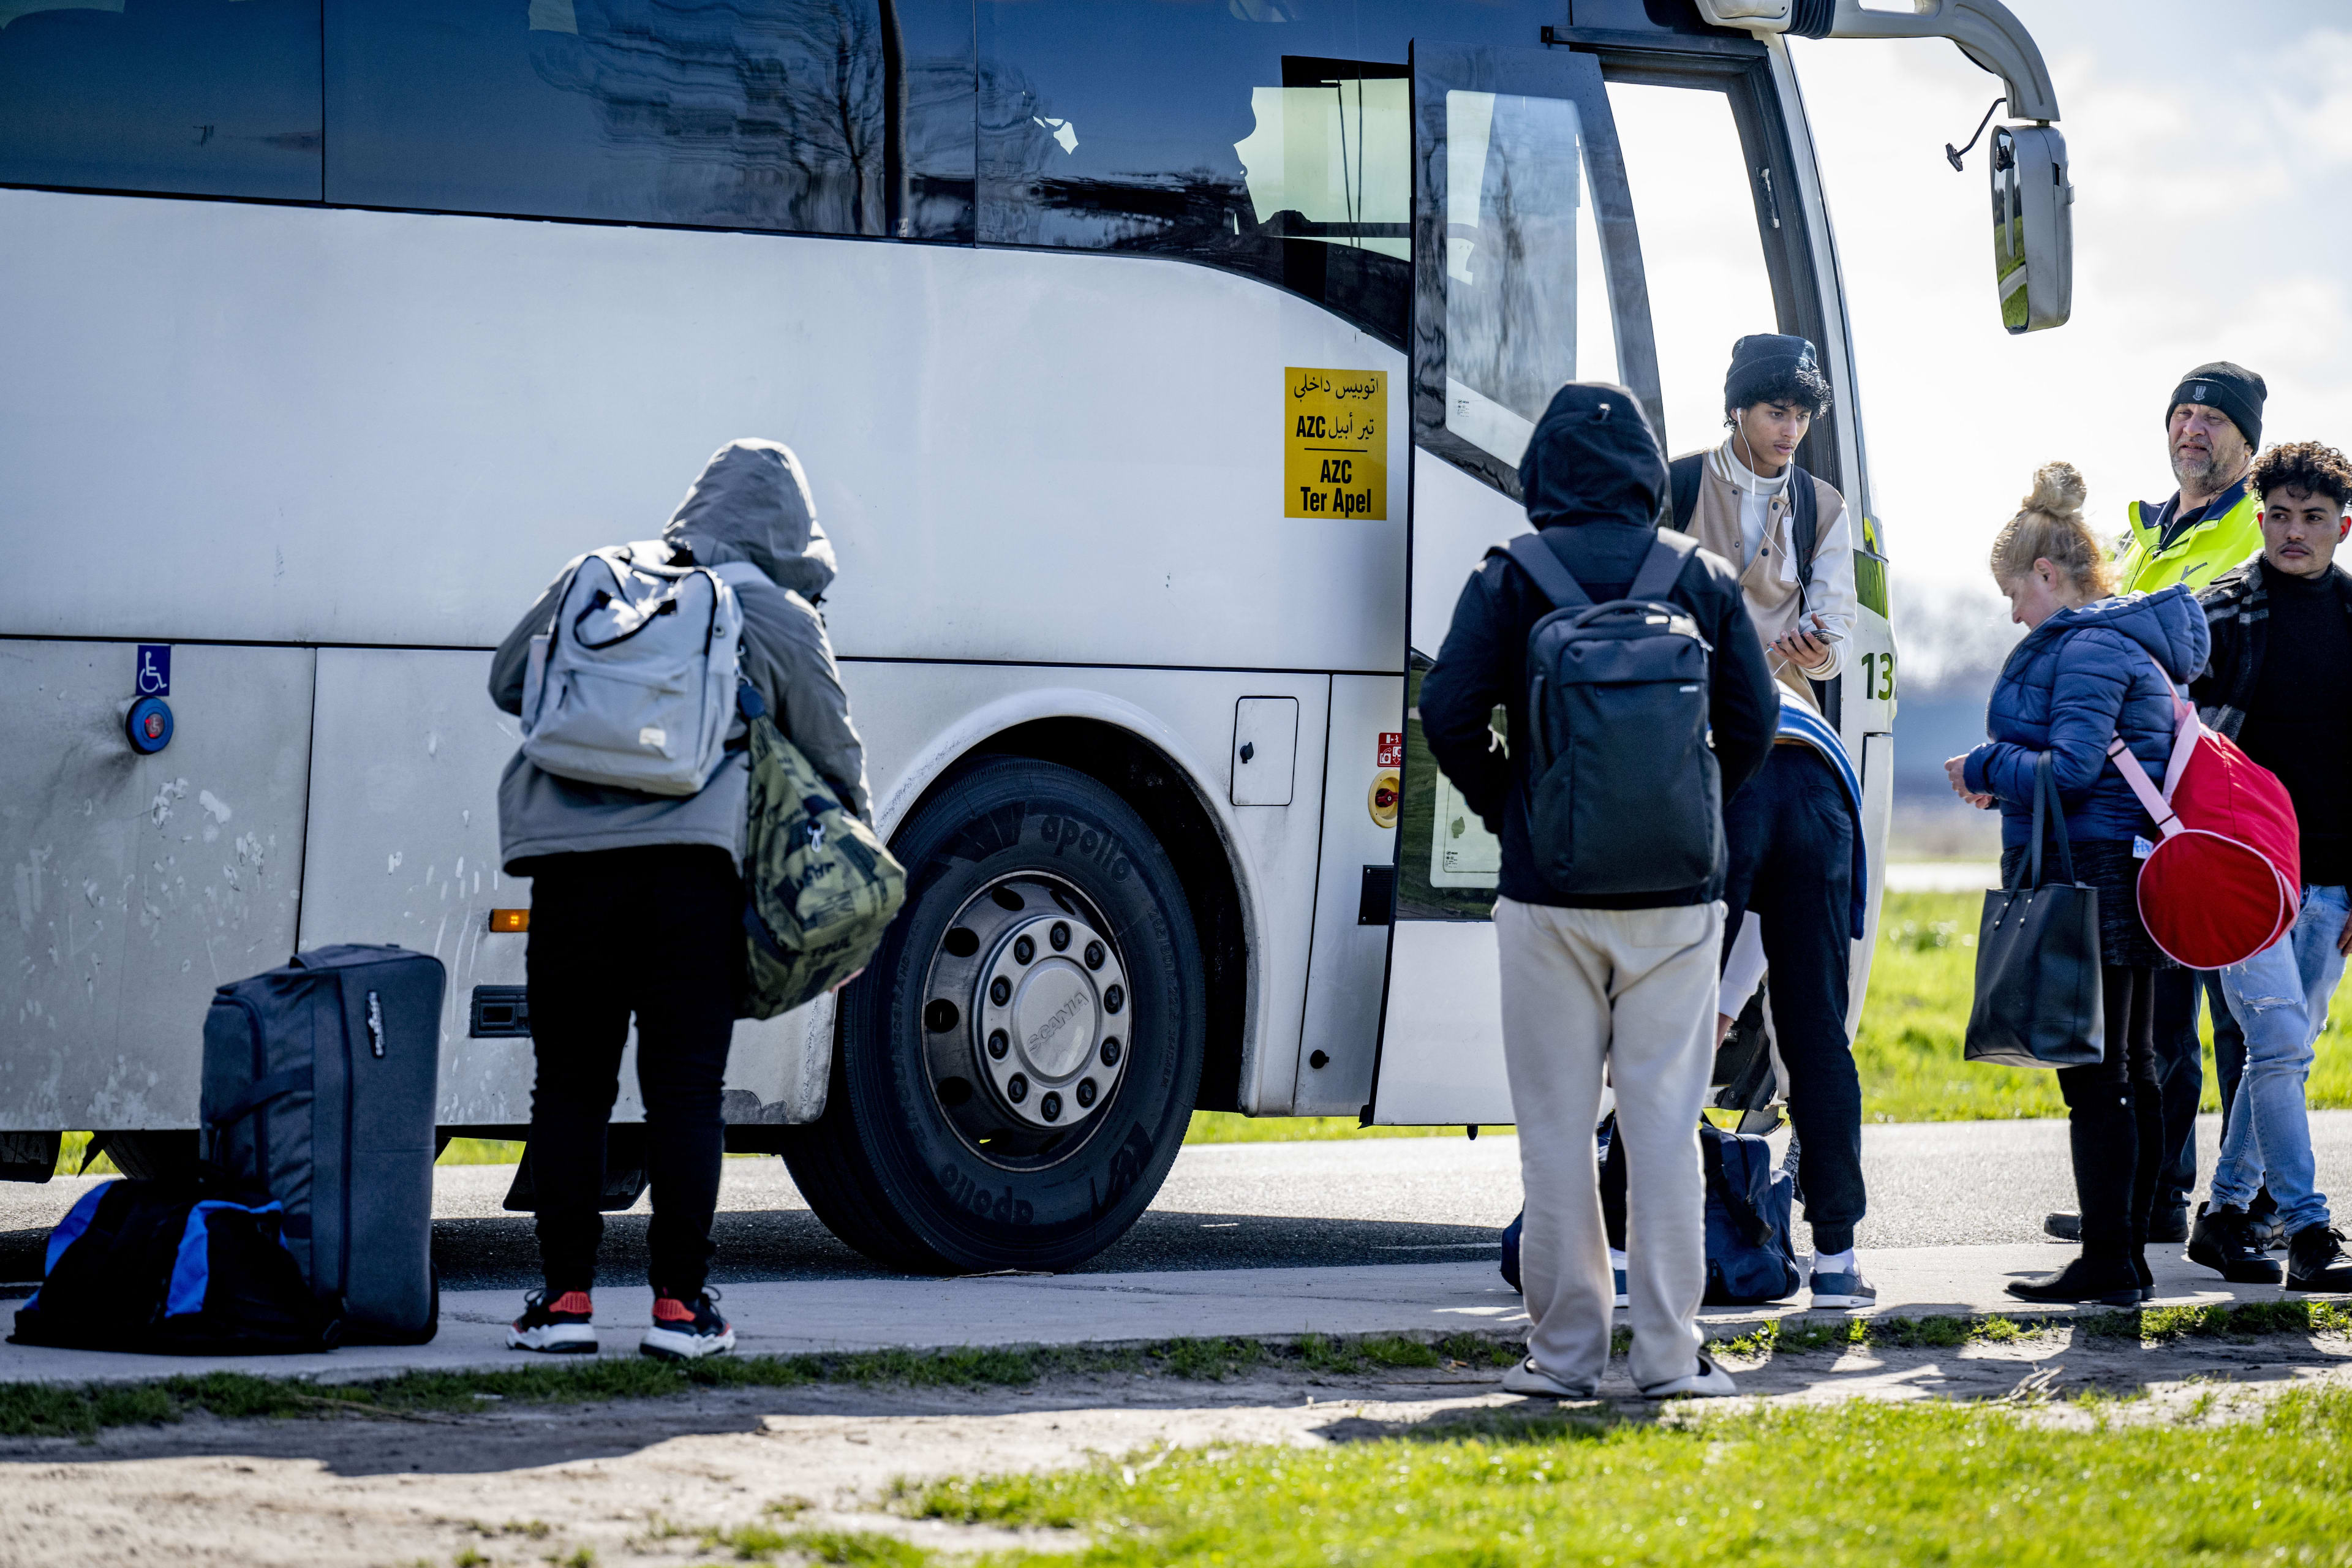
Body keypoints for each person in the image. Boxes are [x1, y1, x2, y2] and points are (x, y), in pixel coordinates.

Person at [1422, 382, 1777, 1399]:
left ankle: (1565, 1357)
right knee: (1665, 1127)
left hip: (1548, 898)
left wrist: (1516, 813)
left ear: (1542, 473)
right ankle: (1670, 1358)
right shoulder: (1698, 578)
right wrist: (1689, 815)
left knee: (1556, 1131)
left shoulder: (1512, 578)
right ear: (1643, 474)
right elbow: (1753, 725)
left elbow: (1449, 713)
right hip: (1675, 899)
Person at [489, 438, 870, 1360]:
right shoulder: (775, 612)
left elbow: (508, 681)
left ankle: (564, 1304)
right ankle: (680, 1310)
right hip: (693, 878)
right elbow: (834, 754)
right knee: (686, 1092)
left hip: (569, 870)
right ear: (791, 533)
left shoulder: (600, 579)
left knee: (571, 1085)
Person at [1947, 464, 2208, 1306]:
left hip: (2092, 871)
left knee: (2098, 1075)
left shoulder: (2089, 644)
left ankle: (2109, 1261)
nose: (2013, 612)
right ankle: (2123, 1262)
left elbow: (2072, 768)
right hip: (2123, 865)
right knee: (2129, 1064)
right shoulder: (2121, 639)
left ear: (2048, 577)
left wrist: (1987, 763)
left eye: (2014, 593)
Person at [2046, 363, 2271, 1248]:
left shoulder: (2263, 528)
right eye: (2183, 413)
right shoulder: (2135, 538)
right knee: (2162, 1016)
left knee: (2239, 1018)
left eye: (2214, 418)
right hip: (2145, 800)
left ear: (2246, 440)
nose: (2193, 428)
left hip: (2225, 796)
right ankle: (2153, 1193)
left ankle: (2241, 1200)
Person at [1668, 333, 1871, 1309]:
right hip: (1783, 768)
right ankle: (1832, 1264)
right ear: (1737, 409)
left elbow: (1835, 640)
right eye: (1775, 411)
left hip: (1754, 764)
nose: (1790, 430)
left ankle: (1825, 1250)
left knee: (1684, 1008)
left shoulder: (1823, 507)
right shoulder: (1677, 485)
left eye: (1802, 415)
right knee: (1767, 1014)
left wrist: (1811, 648)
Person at [2183, 440, 2352, 1291]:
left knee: (2285, 1050)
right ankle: (2309, 1230)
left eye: (2313, 518)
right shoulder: (2219, 613)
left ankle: (2222, 1215)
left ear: (2343, 527)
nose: (2294, 532)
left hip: (2331, 878)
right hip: (2244, 873)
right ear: (2259, 519)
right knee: (2281, 1046)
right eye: (2279, 516)